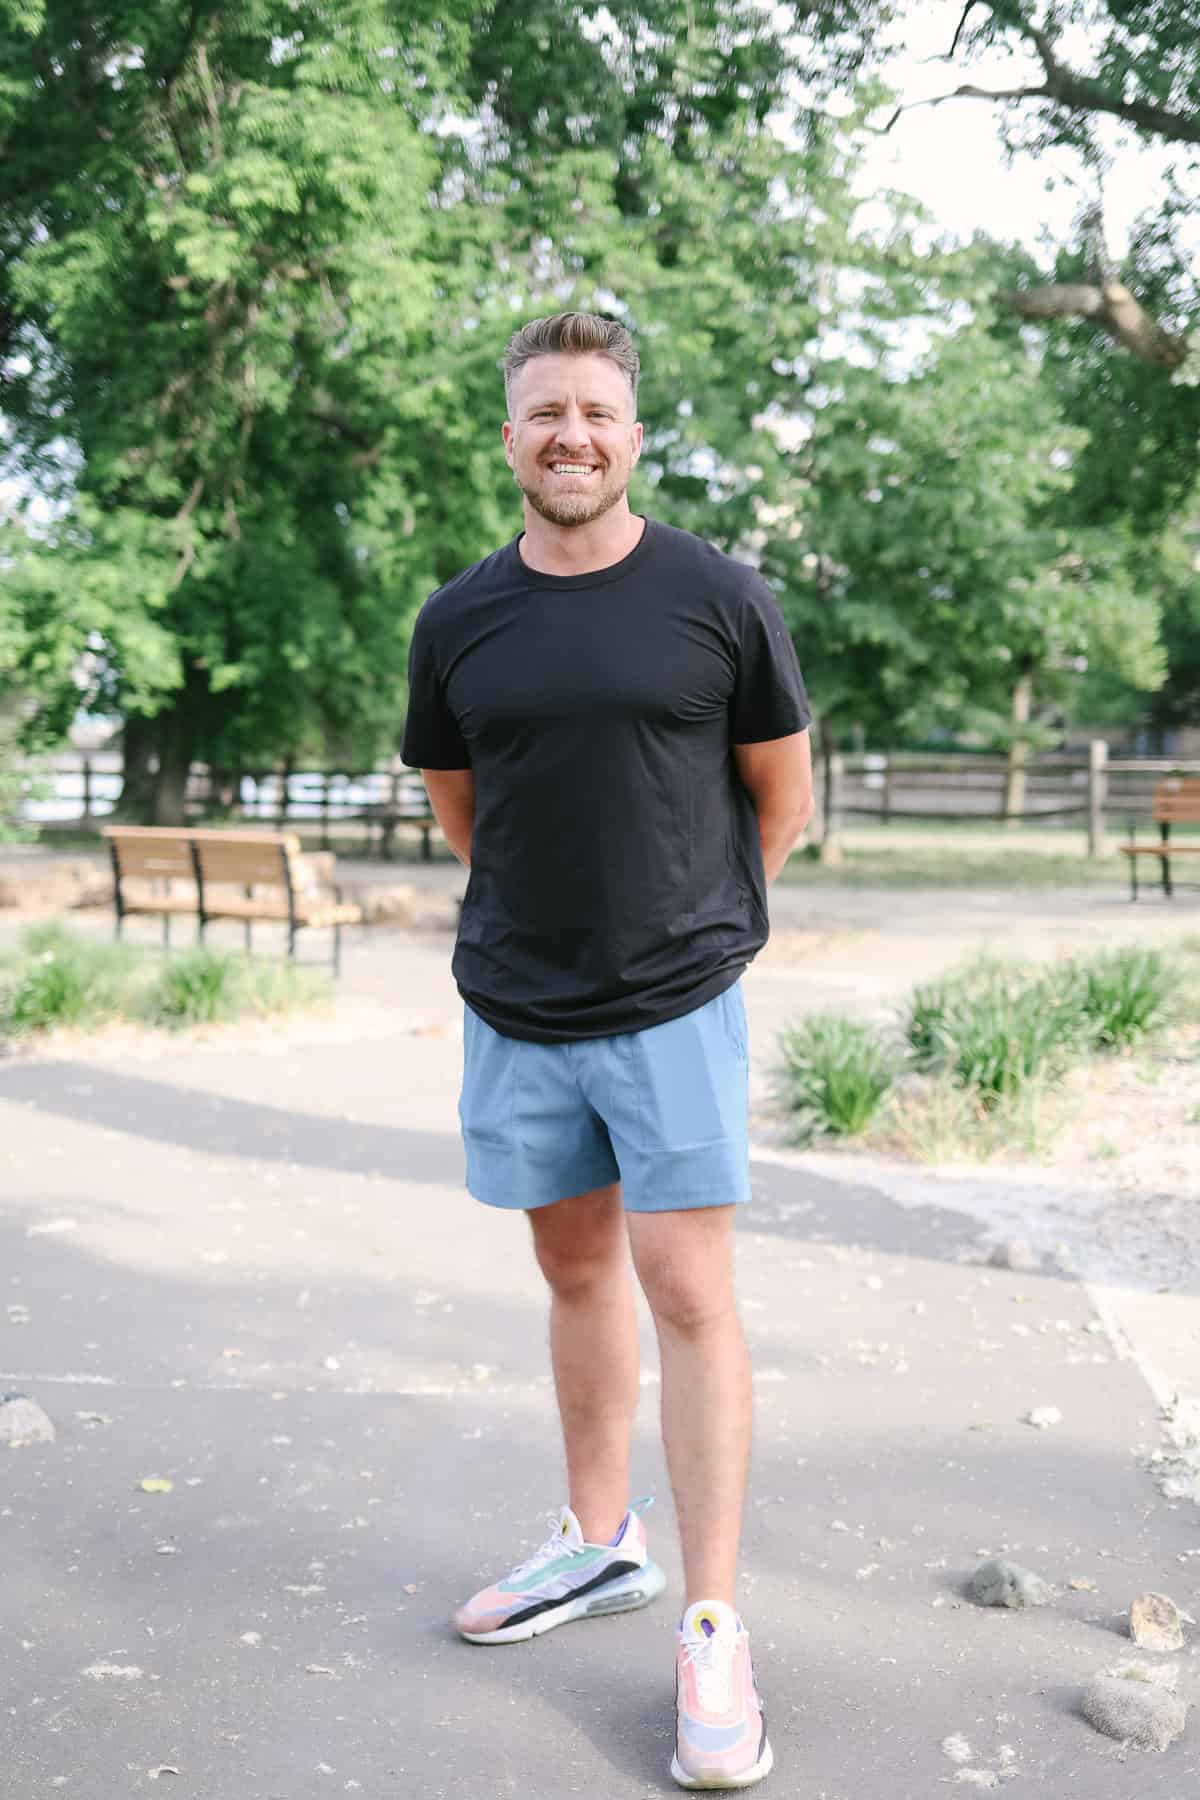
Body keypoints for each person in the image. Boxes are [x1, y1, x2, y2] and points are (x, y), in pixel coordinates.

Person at [401, 311, 813, 1790]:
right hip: (517, 1003)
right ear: (509, 436)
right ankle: (595, 1545)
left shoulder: (716, 594)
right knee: (572, 1271)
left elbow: (780, 795)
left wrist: (699, 932)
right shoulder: (458, 618)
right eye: (543, 412)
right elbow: (466, 805)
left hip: (675, 1000)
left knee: (687, 1288)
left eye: (596, 410)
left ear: (635, 434)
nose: (570, 433)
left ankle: (711, 1625)